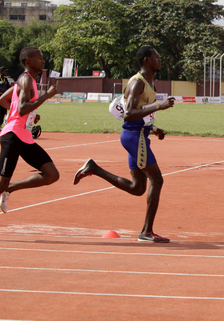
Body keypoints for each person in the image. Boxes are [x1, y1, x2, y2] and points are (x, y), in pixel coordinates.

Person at [73, 46, 175, 243]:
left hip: (139, 134)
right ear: (146, 60)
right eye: (156, 56)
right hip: (134, 137)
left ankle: (94, 168)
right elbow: (128, 115)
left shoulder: (149, 84)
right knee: (157, 180)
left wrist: (154, 129)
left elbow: (139, 113)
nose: (159, 59)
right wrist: (159, 106)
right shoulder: (137, 83)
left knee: (137, 188)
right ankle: (147, 232)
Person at [0, 47, 60, 240]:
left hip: (24, 136)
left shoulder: (26, 80)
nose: (43, 61)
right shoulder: (25, 79)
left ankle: (9, 188)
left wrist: (31, 113)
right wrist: (46, 96)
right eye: (40, 58)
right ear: (29, 60)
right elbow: (22, 108)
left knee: (51, 174)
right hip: (13, 136)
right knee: (0, 182)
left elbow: (3, 100)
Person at [0, 66, 12, 131]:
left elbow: (8, 87)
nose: (6, 72)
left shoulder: (6, 79)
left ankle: (3, 124)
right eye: (5, 71)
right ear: (1, 72)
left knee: (4, 111)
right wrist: (0, 93)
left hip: (5, 99)